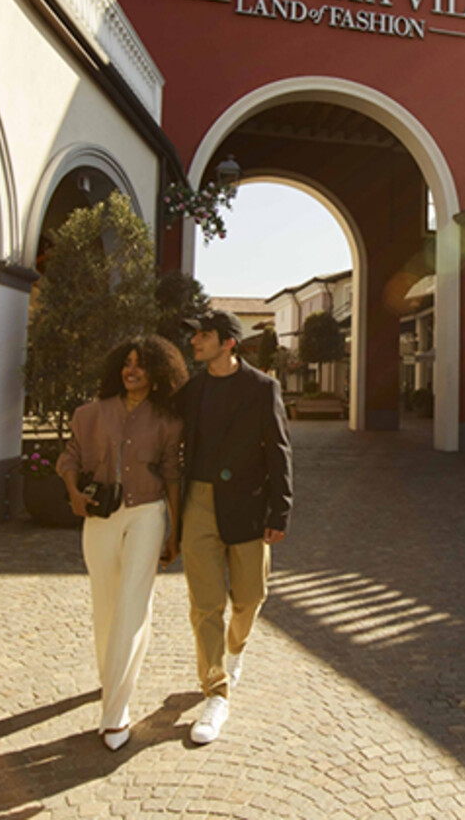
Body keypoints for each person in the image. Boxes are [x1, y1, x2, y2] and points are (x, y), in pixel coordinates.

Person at [57, 336, 188, 751]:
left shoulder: (168, 421)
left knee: (133, 604)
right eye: (127, 363)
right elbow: (70, 458)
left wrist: (175, 530)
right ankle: (110, 681)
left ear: (157, 373)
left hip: (147, 515)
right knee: (106, 604)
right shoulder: (90, 414)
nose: (132, 370)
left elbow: (172, 475)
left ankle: (115, 711)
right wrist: (74, 491)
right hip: (100, 518)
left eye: (142, 365)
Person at [177, 309, 292, 744]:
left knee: (250, 597)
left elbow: (280, 451)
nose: (195, 342)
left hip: (247, 506)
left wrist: (280, 511)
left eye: (203, 336)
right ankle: (216, 692)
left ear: (228, 342)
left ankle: (236, 648)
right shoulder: (192, 390)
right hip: (199, 505)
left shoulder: (263, 389)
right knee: (205, 606)